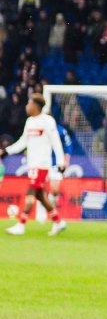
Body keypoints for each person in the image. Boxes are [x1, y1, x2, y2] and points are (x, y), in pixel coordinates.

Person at [5, 95, 67, 236]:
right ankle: (58, 222)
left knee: (30, 192)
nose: (27, 106)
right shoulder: (30, 122)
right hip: (32, 164)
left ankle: (21, 225)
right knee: (40, 196)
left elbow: (56, 142)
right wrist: (6, 151)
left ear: (36, 106)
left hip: (42, 164)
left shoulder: (48, 121)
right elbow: (23, 142)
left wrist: (60, 161)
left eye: (29, 103)